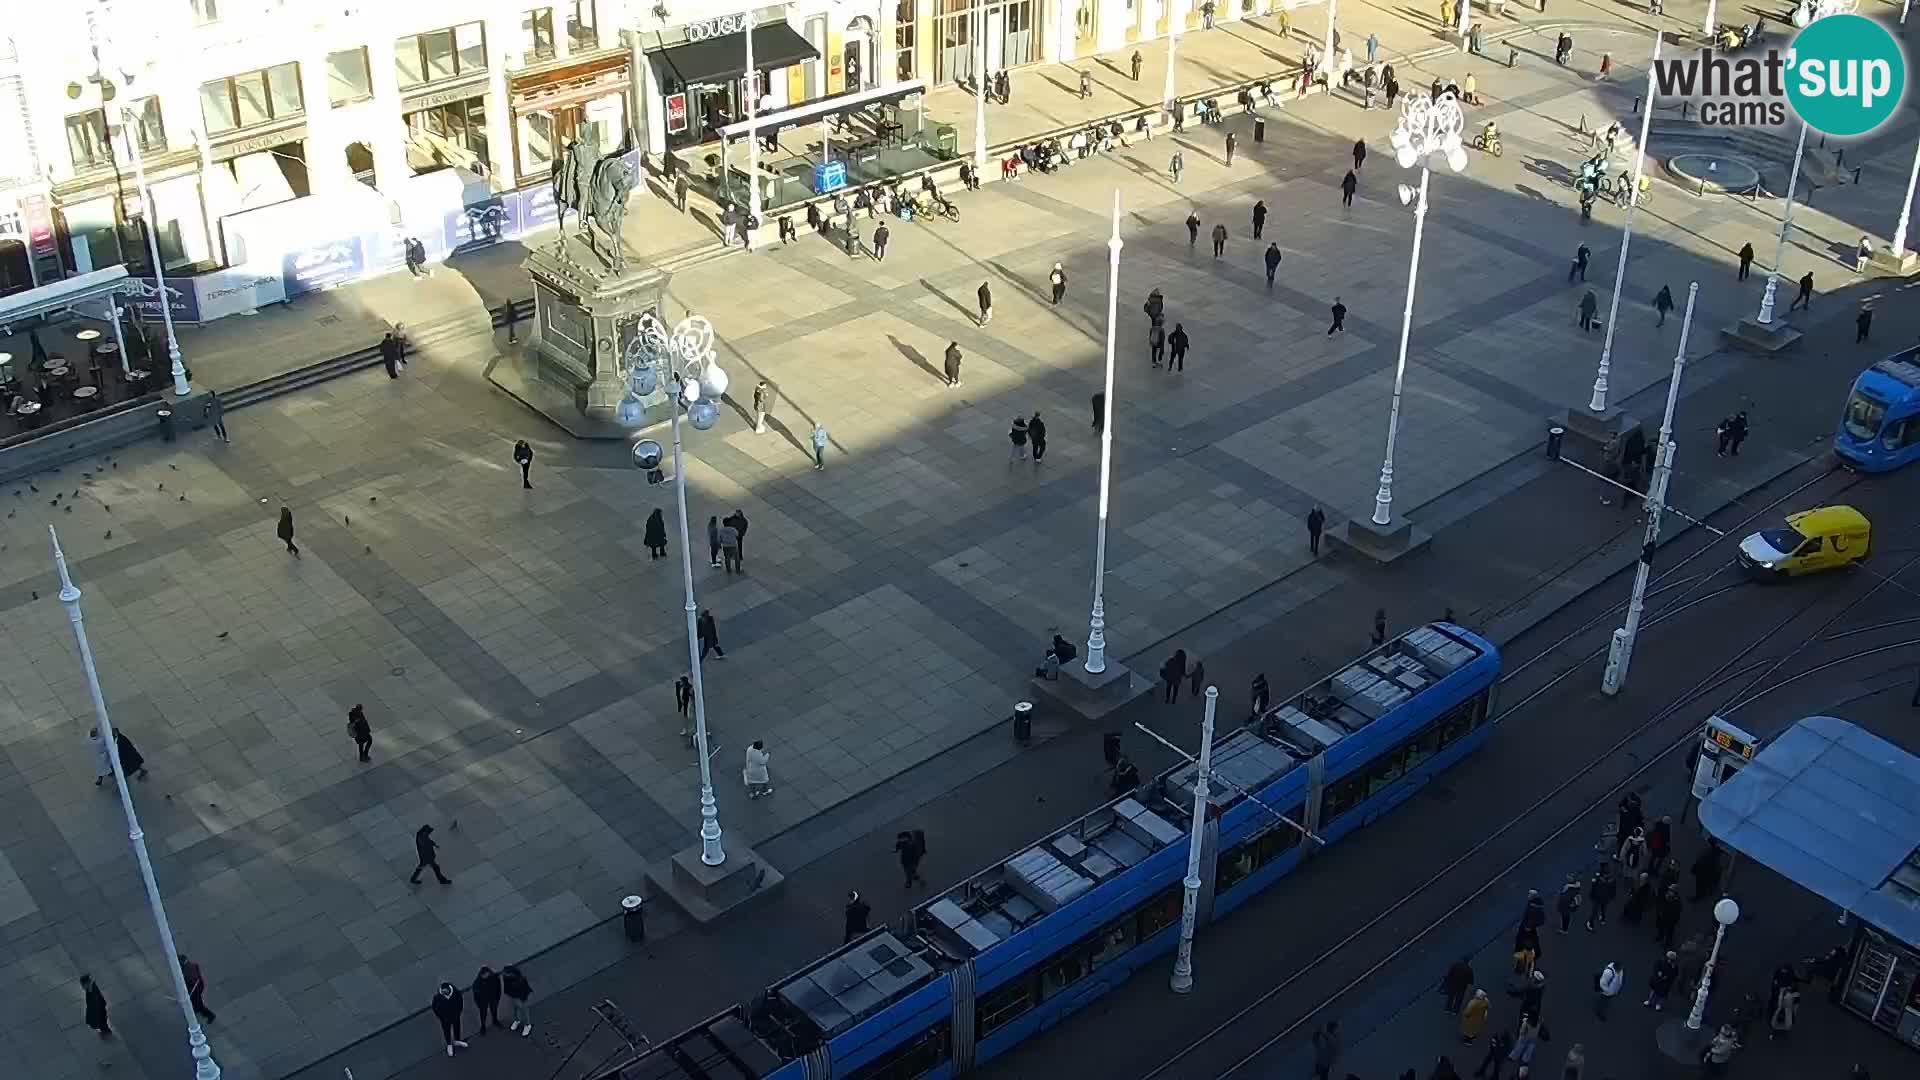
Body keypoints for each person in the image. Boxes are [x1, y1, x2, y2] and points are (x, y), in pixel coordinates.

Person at [432, 982, 469, 1055]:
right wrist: (441, 1017)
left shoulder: (456, 994)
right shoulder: (437, 997)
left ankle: (457, 1041)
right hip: (445, 1019)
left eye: (445, 991)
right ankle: (449, 1044)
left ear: (449, 989)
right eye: (443, 991)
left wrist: (458, 1013)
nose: (444, 992)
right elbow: (435, 1008)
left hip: (455, 1016)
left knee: (457, 1028)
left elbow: (460, 1003)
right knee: (446, 1031)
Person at [503, 965, 533, 1036]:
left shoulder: (521, 979)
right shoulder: (506, 978)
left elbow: (525, 990)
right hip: (513, 996)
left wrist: (522, 1000)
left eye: (506, 973)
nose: (504, 974)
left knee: (524, 1011)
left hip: (521, 997)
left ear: (511, 973)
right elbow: (506, 987)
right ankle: (517, 1020)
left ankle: (527, 1025)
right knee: (514, 1010)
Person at [471, 966, 502, 1034]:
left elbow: (498, 987)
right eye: (483, 975)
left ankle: (495, 1020)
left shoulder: (494, 977)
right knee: (483, 1014)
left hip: (493, 998)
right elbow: (476, 995)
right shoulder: (477, 983)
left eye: (485, 974)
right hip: (483, 1001)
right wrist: (479, 1004)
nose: (484, 976)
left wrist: (498, 997)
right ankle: (483, 1025)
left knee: (494, 1010)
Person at [1585, 861, 1616, 929]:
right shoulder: (1612, 879)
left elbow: (1594, 886)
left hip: (1598, 896)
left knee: (1595, 910)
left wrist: (1592, 894)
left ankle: (1591, 923)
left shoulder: (1598, 878)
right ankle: (1602, 919)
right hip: (1606, 897)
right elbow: (1613, 889)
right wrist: (1612, 896)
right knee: (1603, 908)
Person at [82, 975, 112, 1039]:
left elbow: (100, 1002)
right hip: (96, 1011)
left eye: (83, 985)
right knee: (101, 1023)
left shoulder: (94, 991)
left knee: (102, 1023)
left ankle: (107, 1032)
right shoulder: (89, 989)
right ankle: (105, 1031)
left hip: (98, 1011)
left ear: (87, 983)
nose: (82, 987)